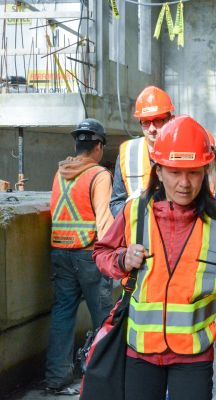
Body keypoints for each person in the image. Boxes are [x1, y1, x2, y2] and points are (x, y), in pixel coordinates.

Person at [93, 115, 216, 400]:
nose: (185, 183)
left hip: (193, 357)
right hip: (140, 352)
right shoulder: (134, 211)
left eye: (193, 172)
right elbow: (102, 253)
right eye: (175, 172)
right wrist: (123, 260)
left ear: (205, 171)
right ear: (159, 171)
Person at [46, 118, 114, 395]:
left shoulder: (60, 172)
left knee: (63, 314)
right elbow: (105, 222)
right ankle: (102, 380)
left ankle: (56, 380)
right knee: (104, 319)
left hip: (60, 251)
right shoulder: (99, 175)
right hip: (88, 255)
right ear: (98, 146)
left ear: (76, 145)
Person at [110, 85, 175, 216]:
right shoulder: (127, 153)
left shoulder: (182, 150)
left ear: (171, 119)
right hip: (139, 232)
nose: (151, 128)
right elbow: (116, 203)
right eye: (145, 122)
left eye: (158, 120)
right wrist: (132, 214)